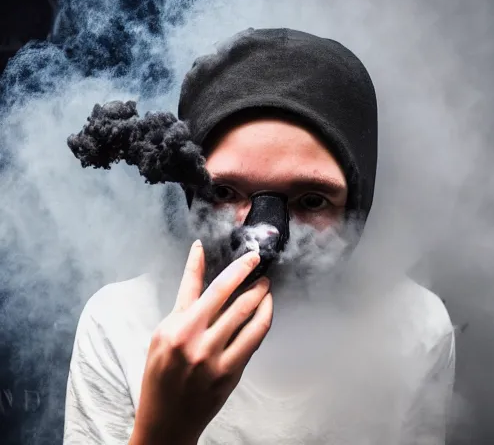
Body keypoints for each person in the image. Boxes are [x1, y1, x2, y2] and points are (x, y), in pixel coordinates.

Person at [63, 28, 455, 444]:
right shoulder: (119, 322)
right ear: (190, 192)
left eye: (312, 200)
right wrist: (165, 429)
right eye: (224, 192)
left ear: (357, 205)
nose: (264, 241)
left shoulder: (415, 327)